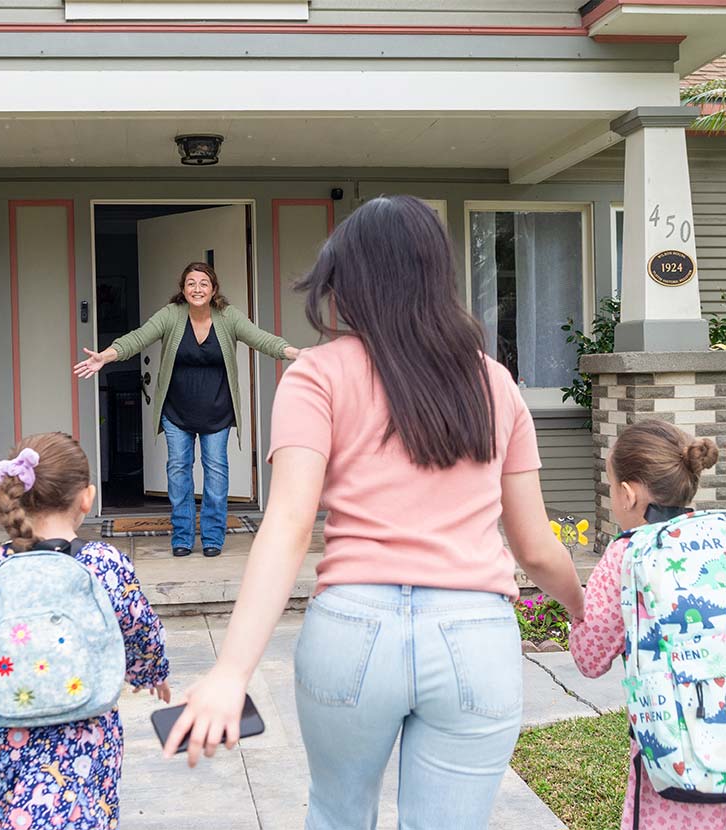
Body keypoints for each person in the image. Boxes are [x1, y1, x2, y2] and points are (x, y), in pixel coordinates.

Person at [161, 195, 585, 829]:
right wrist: (583, 612)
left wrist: (231, 669)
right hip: (475, 636)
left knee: (338, 816)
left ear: (346, 279)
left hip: (353, 633)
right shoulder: (495, 381)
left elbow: (287, 526)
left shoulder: (317, 376)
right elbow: (535, 548)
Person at [0, 432, 170, 829]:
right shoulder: (106, 564)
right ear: (86, 498)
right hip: (89, 734)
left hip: (13, 739)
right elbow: (141, 628)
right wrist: (152, 674)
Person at [74, 262, 300, 559]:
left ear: (213, 289)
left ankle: (212, 537)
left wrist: (295, 353)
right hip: (177, 411)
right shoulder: (171, 315)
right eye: (191, 283)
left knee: (216, 473)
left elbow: (261, 339)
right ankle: (181, 535)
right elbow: (138, 338)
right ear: (183, 289)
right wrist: (106, 355)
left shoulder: (228, 316)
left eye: (203, 283)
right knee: (179, 471)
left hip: (217, 411)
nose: (197, 288)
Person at [570, 420, 725, 830]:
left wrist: (575, 607)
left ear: (627, 492)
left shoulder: (626, 554)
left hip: (671, 769)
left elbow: (590, 657)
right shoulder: (721, 536)